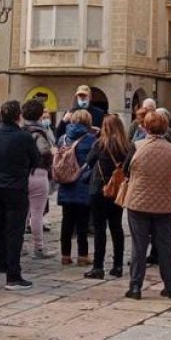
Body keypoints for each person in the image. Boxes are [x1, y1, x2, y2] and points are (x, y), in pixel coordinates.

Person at [121, 110, 171, 300]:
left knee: (139, 246)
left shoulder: (137, 146)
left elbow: (125, 170)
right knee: (165, 246)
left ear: (145, 126)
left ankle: (136, 287)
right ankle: (170, 286)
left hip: (139, 202)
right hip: (164, 203)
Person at [0, 100, 39, 290]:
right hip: (15, 188)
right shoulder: (24, 137)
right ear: (18, 116)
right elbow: (36, 159)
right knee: (14, 232)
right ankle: (13, 275)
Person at [85, 113, 133, 279]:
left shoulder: (100, 144)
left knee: (99, 229)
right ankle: (117, 265)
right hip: (118, 191)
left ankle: (98, 267)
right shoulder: (127, 146)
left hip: (99, 189)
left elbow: (89, 161)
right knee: (116, 227)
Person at [57, 109, 97, 265]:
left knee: (66, 221)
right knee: (82, 223)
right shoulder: (91, 140)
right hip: (83, 185)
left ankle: (65, 255)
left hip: (66, 183)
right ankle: (82, 255)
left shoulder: (63, 138)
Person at [21, 99, 55, 259]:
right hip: (38, 174)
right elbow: (45, 153)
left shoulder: (20, 130)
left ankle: (19, 244)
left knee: (23, 212)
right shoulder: (39, 132)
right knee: (36, 213)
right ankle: (39, 247)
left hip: (21, 174)